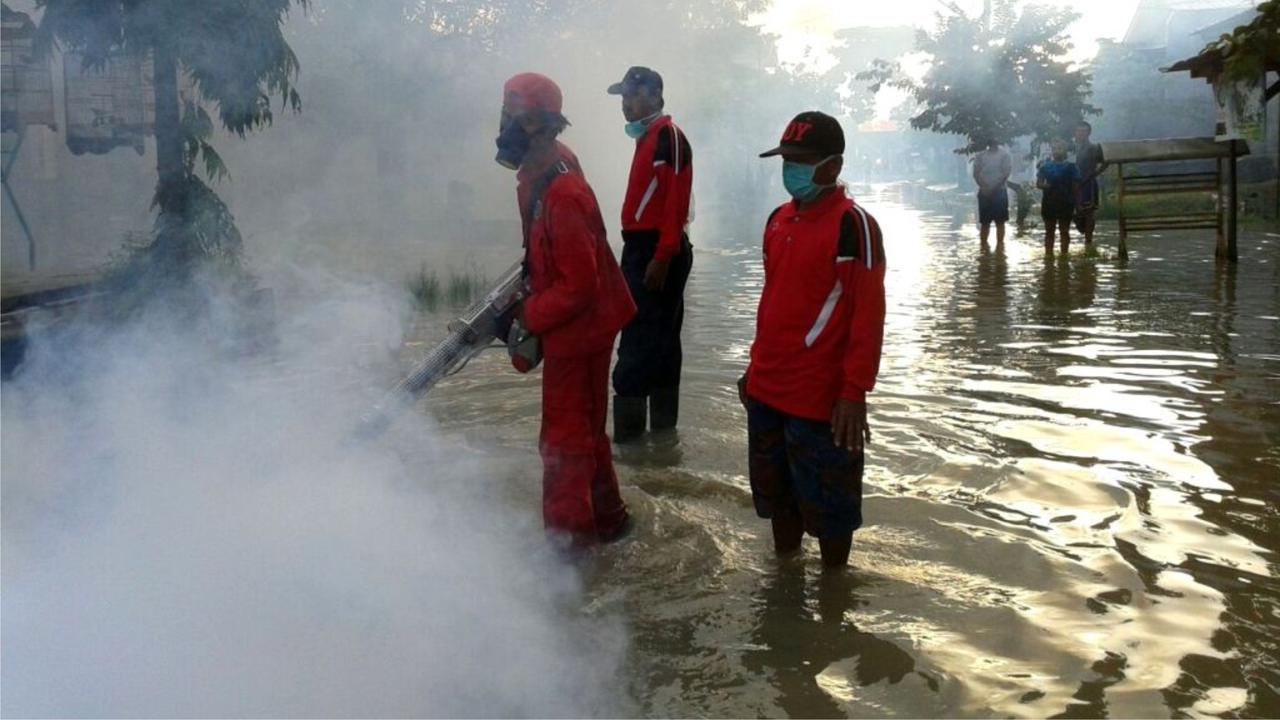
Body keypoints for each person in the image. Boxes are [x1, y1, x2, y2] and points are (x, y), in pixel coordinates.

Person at [737, 111, 887, 569]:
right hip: (766, 389)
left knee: (832, 514)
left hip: (820, 401)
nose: (791, 170)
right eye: (787, 160)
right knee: (777, 501)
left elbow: (869, 314)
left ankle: (833, 609)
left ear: (833, 166)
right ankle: (785, 590)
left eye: (801, 160)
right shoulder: (777, 220)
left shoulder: (854, 226)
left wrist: (854, 391)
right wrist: (753, 368)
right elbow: (776, 302)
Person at [495, 72, 637, 546]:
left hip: (582, 329)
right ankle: (610, 523)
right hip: (582, 323)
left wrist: (528, 318)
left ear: (538, 123)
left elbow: (580, 284)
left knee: (562, 444)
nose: (503, 125)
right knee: (586, 434)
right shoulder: (545, 171)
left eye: (511, 114)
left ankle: (568, 556)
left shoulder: (563, 193)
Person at [606, 66, 694, 442]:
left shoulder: (667, 136)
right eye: (623, 98)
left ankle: (630, 454)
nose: (626, 104)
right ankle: (662, 445)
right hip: (647, 249)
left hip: (656, 251)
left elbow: (676, 197)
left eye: (632, 95)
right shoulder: (648, 138)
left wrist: (663, 254)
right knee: (659, 344)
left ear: (656, 94)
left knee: (638, 346)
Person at [1037, 139, 1080, 255]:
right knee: (1049, 231)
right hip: (1049, 202)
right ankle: (1048, 256)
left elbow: (1076, 187)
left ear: (1065, 150)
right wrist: (1046, 186)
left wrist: (1077, 205)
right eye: (1054, 149)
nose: (1057, 151)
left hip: (1066, 202)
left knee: (1064, 231)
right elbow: (1039, 183)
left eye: (1060, 148)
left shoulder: (1072, 167)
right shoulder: (1045, 167)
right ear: (1051, 151)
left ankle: (1064, 256)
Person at [1072, 121, 1108, 245]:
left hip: (1088, 183)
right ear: (1075, 133)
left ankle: (1089, 243)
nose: (1080, 134)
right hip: (1071, 183)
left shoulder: (1094, 148)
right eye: (1078, 131)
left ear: (1089, 133)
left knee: (1089, 213)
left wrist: (1094, 174)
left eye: (1083, 131)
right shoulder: (1071, 148)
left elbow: (1105, 162)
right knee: (1074, 212)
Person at [971, 138, 1012, 246]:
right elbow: (976, 173)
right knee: (985, 223)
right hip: (984, 192)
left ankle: (1000, 247)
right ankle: (983, 248)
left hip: (1000, 192)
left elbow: (1005, 174)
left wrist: (993, 188)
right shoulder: (980, 156)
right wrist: (985, 187)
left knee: (1000, 222)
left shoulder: (1004, 155)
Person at [1007, 149, 1036, 236]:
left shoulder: (1028, 171)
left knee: (1025, 208)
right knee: (1019, 209)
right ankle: (1021, 225)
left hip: (1024, 193)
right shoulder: (1012, 175)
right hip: (1017, 193)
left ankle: (1022, 225)